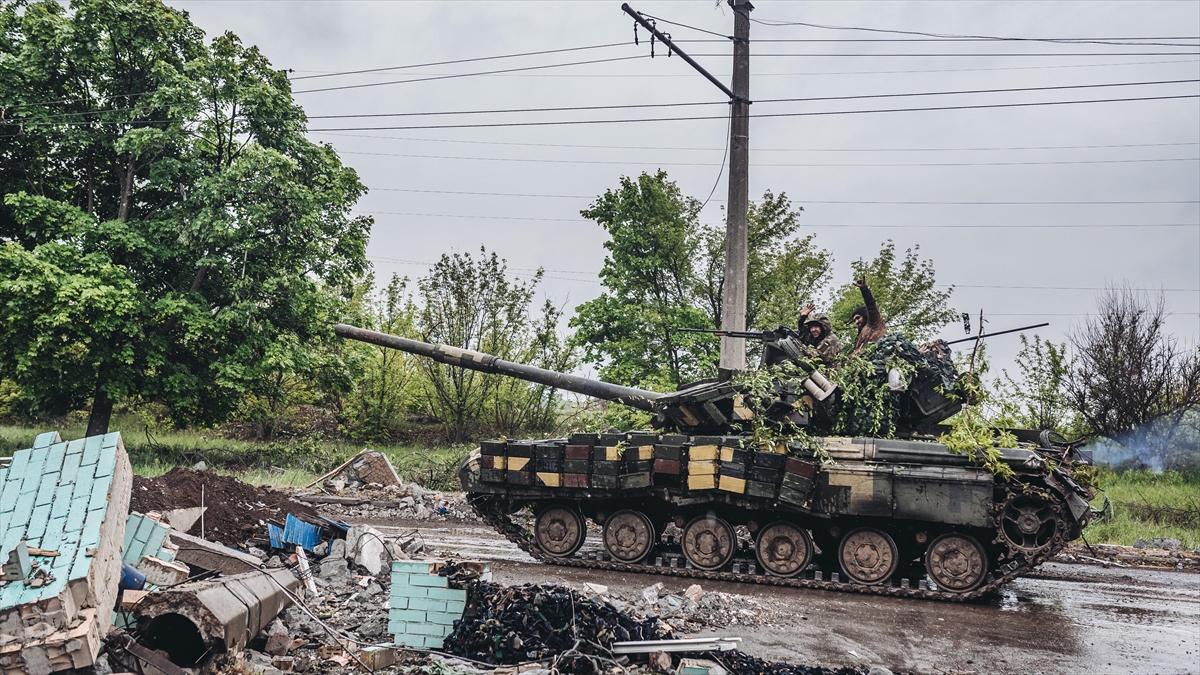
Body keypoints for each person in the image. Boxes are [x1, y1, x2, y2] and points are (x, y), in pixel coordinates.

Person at [851, 278, 887, 353]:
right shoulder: (862, 332)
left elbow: (871, 306)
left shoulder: (875, 323)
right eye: (855, 320)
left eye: (858, 318)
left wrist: (864, 290)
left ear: (864, 315)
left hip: (879, 358)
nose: (856, 322)